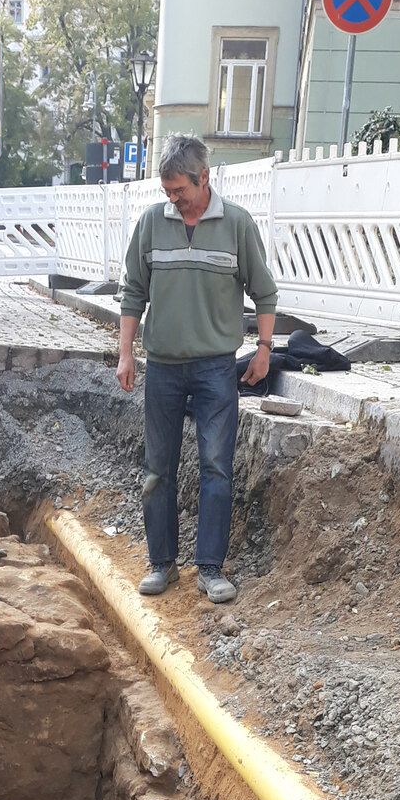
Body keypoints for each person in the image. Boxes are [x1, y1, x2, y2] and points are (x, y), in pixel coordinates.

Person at [116, 133, 277, 604]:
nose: (173, 198)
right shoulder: (150, 224)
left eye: (180, 189)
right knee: (156, 471)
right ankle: (161, 564)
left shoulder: (238, 225)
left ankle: (210, 568)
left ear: (204, 177)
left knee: (216, 467)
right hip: (162, 366)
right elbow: (132, 293)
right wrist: (127, 353)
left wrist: (264, 347)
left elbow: (264, 294)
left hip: (214, 369)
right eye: (167, 190)